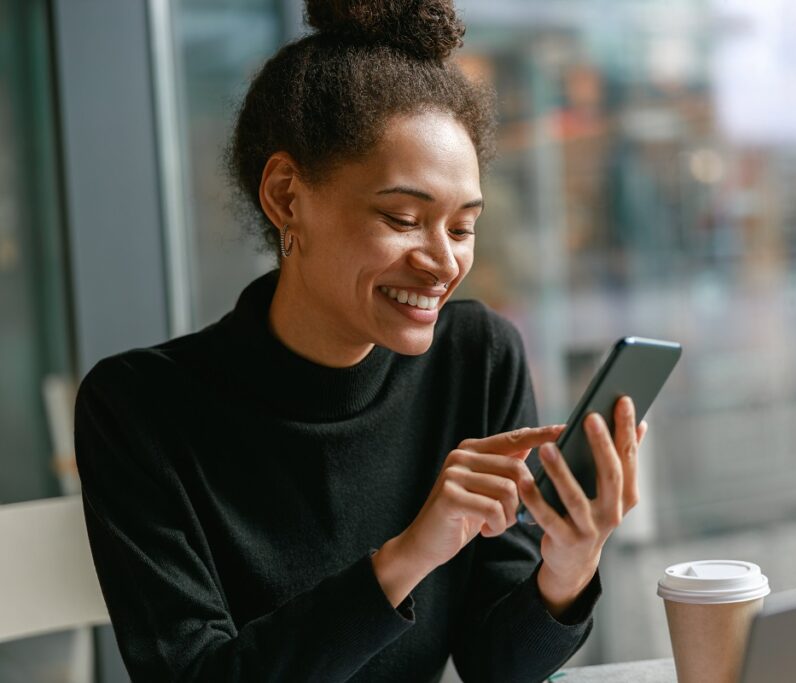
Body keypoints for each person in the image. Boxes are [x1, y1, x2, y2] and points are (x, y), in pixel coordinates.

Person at [74, 1, 647, 681]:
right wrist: (406, 557)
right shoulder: (141, 409)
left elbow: (499, 666)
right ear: (286, 196)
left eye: (462, 227)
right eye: (403, 217)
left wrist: (569, 564)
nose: (442, 262)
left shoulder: (476, 357)